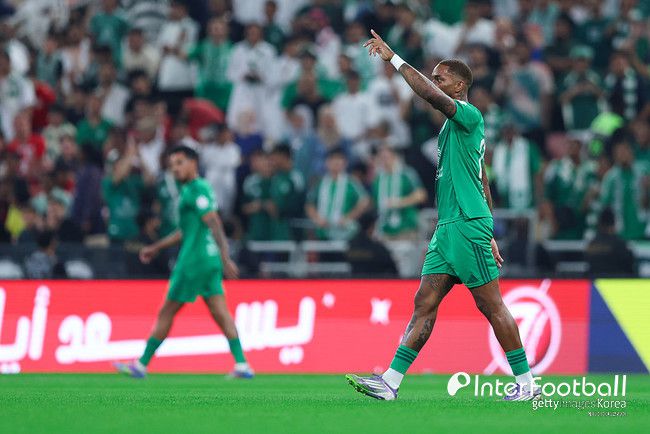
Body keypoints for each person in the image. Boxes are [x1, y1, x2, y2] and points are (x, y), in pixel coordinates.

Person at [346, 30, 539, 401]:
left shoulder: (468, 114)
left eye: (440, 77)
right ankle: (390, 382)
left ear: (460, 85)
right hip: (449, 227)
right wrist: (491, 231)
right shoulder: (453, 129)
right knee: (424, 302)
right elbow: (481, 177)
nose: (434, 82)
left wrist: (394, 59)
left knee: (490, 305)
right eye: (433, 77)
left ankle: (527, 383)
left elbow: (430, 96)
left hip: (466, 225)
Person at [114, 145, 253, 379]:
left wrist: (226, 256)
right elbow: (186, 230)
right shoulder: (198, 188)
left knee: (167, 312)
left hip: (193, 261)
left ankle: (141, 364)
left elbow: (213, 221)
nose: (175, 169)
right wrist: (157, 248)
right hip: (208, 259)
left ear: (193, 163)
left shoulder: (195, 189)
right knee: (221, 313)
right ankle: (242, 364)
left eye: (180, 163)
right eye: (172, 165)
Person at [305, 148, 370, 241]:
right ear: (327, 163)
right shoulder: (320, 183)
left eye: (339, 160)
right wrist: (317, 218)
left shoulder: (351, 182)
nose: (336, 163)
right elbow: (309, 204)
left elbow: (364, 201)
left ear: (345, 163)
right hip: (323, 232)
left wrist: (348, 217)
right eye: (333, 160)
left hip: (345, 233)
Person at [586, 208, 636, 276]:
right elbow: (630, 264)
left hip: (595, 281)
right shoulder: (619, 243)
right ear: (614, 224)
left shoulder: (591, 244)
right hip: (616, 280)